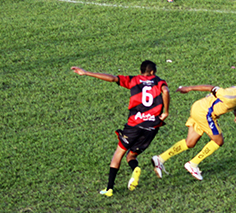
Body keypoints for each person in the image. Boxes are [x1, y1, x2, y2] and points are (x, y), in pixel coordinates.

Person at [71, 61, 170, 197]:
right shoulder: (159, 81)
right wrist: (166, 112)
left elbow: (112, 78)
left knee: (118, 154)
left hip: (134, 125)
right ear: (153, 72)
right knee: (132, 155)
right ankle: (135, 168)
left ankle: (109, 188)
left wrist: (86, 72)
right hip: (152, 126)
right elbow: (165, 91)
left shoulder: (133, 80)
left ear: (141, 71)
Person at [151, 77, 236, 180]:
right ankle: (192, 164)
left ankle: (160, 159)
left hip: (198, 108)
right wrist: (189, 88)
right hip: (204, 113)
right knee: (218, 141)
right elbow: (211, 88)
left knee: (190, 142)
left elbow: (233, 103)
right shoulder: (229, 95)